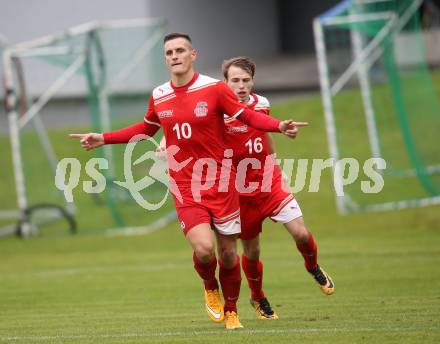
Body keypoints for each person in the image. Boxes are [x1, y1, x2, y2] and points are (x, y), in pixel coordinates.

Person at [70, 33, 304, 330]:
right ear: (165, 59)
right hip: (185, 185)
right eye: (169, 52)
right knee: (205, 250)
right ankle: (210, 285)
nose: (175, 56)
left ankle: (232, 311)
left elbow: (246, 117)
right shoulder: (159, 95)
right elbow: (146, 128)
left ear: (193, 54)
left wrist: (278, 126)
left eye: (180, 50)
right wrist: (104, 138)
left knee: (229, 255)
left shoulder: (215, 89)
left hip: (222, 183)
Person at [222, 56, 334, 320]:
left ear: (253, 82)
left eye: (245, 80)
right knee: (253, 250)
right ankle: (257, 296)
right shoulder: (218, 110)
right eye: (235, 80)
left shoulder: (262, 104)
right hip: (240, 191)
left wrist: (276, 164)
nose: (241, 85)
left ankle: (313, 266)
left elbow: (264, 134)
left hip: (268, 181)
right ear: (224, 82)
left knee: (301, 233)